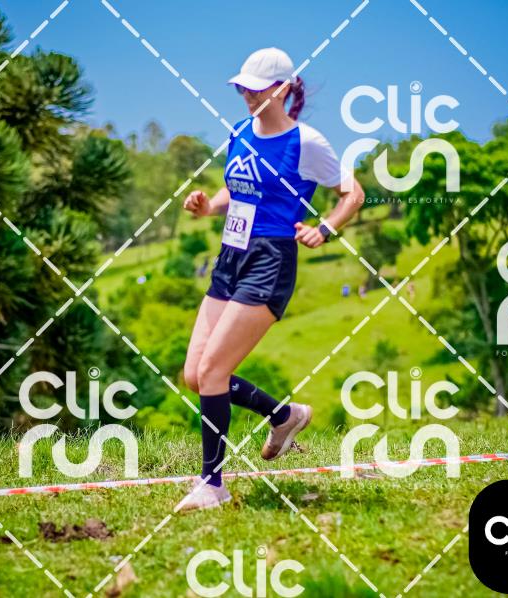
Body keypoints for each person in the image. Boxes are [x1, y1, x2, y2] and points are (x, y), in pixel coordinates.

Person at [179, 48, 364, 510]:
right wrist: (208, 206)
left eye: (256, 88)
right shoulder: (240, 132)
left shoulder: (307, 142)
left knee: (214, 371)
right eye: (242, 87)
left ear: (281, 89)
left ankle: (212, 485)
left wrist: (325, 228)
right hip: (231, 256)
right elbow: (236, 188)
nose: (247, 95)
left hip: (270, 260)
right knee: (195, 375)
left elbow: (353, 193)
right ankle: (284, 416)